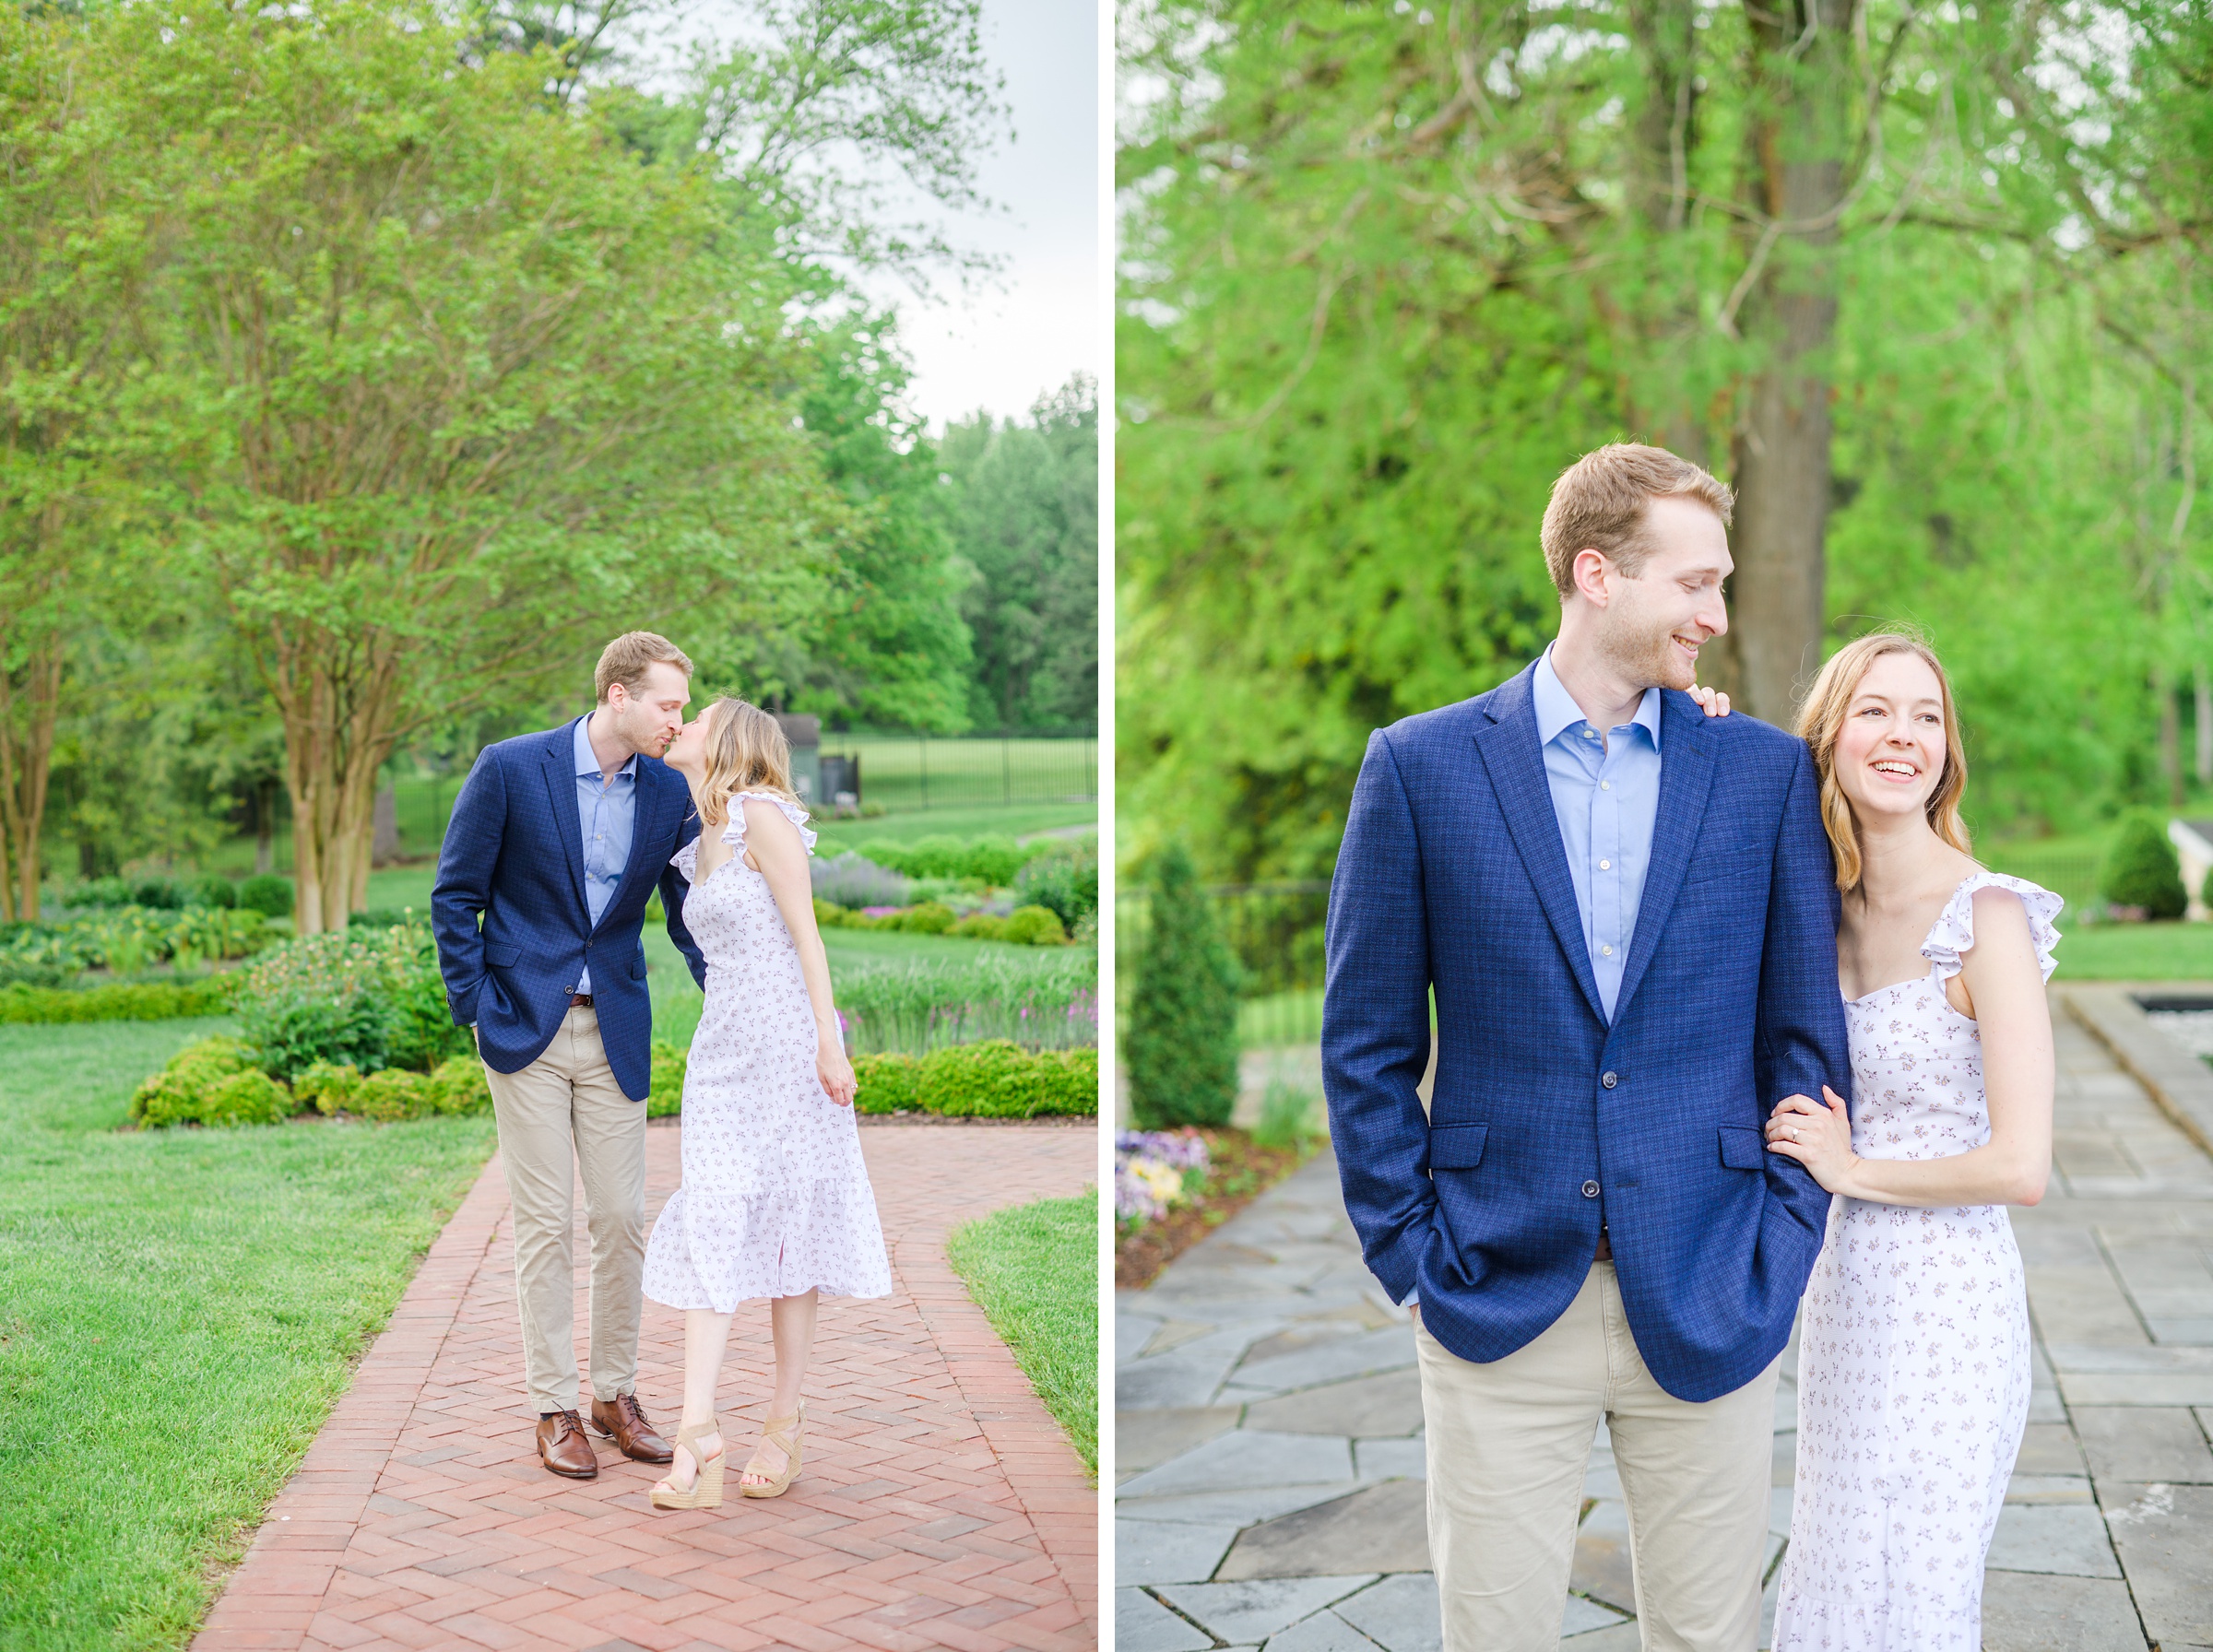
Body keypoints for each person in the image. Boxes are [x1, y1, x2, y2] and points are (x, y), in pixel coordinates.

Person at [1321, 442, 1851, 1651]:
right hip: (1495, 1289)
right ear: (1597, 575)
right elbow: (1365, 1043)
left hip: (1714, 1286)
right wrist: (1409, 1253)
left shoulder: (1765, 776)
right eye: (1696, 585)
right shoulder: (1419, 769)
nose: (1718, 616)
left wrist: (1779, 1243)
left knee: (1711, 1639)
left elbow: (1802, 1039)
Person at [1757, 633, 2055, 1649]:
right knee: (1835, 1574)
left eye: (1927, 716)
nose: (1905, 736)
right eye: (1878, 710)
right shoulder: (1818, 915)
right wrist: (1692, 716)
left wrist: (1850, 1169)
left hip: (1950, 1307)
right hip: (1843, 1297)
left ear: (1947, 751)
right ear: (1830, 735)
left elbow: (2023, 1166)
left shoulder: (1988, 918)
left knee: (1916, 1589)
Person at [431, 631, 708, 1480]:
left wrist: (736, 995)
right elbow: (456, 894)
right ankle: (553, 1406)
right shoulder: (511, 767)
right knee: (545, 1224)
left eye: (684, 707)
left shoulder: (667, 792)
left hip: (614, 1026)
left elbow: (694, 907)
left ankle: (613, 1396)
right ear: (619, 695)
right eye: (669, 704)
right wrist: (475, 1006)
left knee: (623, 1219)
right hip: (525, 1029)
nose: (679, 720)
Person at [638, 696, 892, 1510]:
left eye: (698, 715)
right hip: (720, 1055)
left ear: (733, 738)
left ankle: (783, 1421)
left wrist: (829, 1038)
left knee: (789, 1224)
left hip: (787, 1047)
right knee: (712, 1213)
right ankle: (700, 1429)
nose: (682, 722)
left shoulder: (762, 817)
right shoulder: (699, 834)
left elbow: (807, 933)